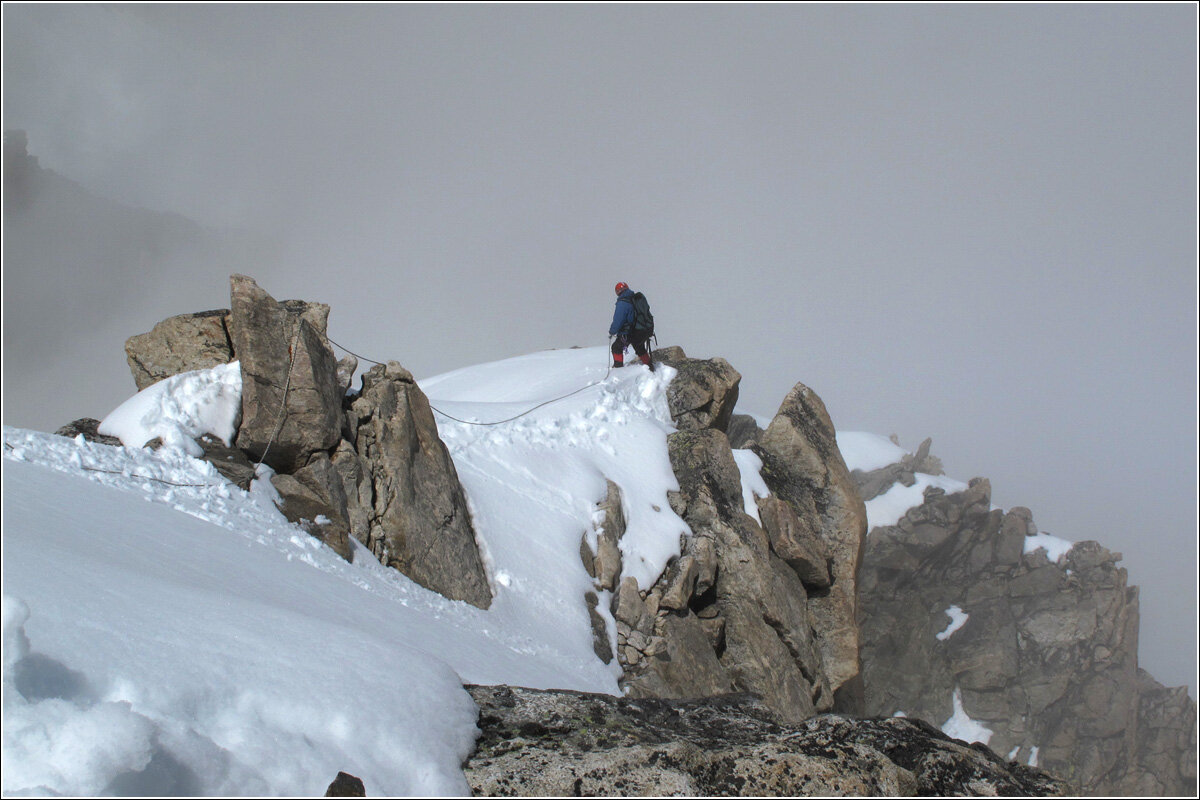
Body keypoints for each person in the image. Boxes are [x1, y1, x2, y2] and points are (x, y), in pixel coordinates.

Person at [609, 281, 655, 370]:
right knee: (639, 347)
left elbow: (618, 320)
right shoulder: (636, 299)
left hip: (629, 332)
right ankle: (650, 367)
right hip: (641, 330)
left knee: (616, 347)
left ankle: (618, 369)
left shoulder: (623, 303)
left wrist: (612, 331)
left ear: (618, 291)